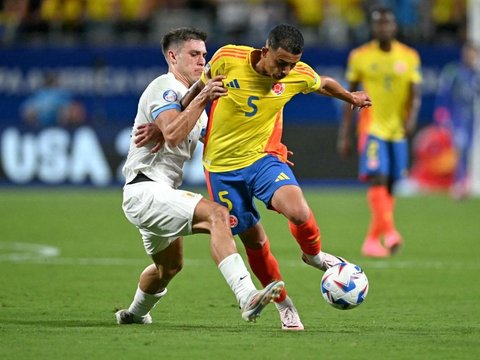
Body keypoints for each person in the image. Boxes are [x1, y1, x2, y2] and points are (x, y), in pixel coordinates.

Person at [174, 23, 371, 331]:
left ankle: (314, 256)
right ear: (265, 51)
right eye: (281, 63)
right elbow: (200, 87)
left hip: (263, 158)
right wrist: (182, 107)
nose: (285, 71)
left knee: (298, 210)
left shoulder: (297, 74)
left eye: (291, 64)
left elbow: (324, 84)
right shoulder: (228, 58)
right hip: (222, 169)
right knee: (254, 240)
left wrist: (351, 97)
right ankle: (284, 305)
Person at [115, 27, 284, 325]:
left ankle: (134, 315)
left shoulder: (192, 103)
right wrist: (203, 97)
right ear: (172, 56)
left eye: (204, 55)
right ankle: (247, 296)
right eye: (194, 55)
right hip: (145, 190)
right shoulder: (164, 87)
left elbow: (224, 141)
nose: (202, 62)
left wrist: (272, 150)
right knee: (218, 215)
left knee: (168, 268)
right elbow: (172, 133)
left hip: (160, 193)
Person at [337, 7, 422, 258]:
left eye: (387, 24)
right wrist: (344, 134)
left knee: (392, 185)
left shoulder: (409, 56)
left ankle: (373, 239)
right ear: (373, 28)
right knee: (378, 178)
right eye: (378, 24)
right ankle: (391, 232)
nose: (383, 28)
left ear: (394, 27)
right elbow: (348, 95)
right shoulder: (360, 56)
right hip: (371, 127)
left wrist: (411, 118)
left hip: (397, 130)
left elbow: (415, 93)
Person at [434, 42, 480, 199]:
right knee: (460, 149)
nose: (471, 56)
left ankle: (464, 183)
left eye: (474, 53)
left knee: (467, 151)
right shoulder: (453, 71)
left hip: (472, 118)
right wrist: (442, 113)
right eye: (468, 53)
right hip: (457, 117)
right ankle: (458, 184)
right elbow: (444, 93)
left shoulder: (476, 74)